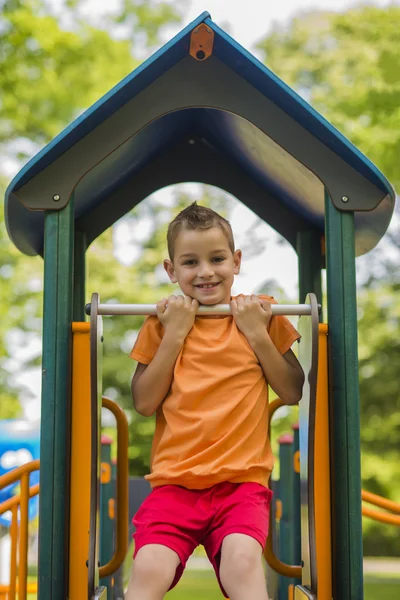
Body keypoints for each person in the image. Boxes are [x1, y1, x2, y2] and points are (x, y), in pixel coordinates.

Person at [125, 202, 304, 600]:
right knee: (149, 565)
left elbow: (292, 391)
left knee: (242, 562)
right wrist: (174, 334)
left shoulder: (262, 314)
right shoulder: (161, 322)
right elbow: (144, 402)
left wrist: (257, 335)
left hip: (241, 484)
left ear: (236, 261)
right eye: (190, 262)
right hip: (175, 485)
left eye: (217, 258)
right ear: (172, 271)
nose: (205, 271)